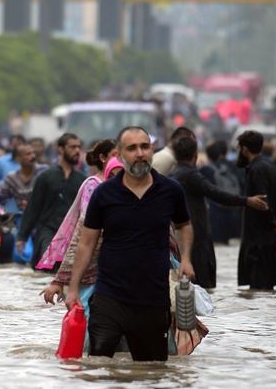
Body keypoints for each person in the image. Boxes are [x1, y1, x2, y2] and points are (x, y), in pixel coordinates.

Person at [65, 126, 195, 362]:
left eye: (144, 147)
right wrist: (73, 288)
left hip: (153, 299)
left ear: (152, 150)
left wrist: (186, 259)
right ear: (120, 154)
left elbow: (184, 225)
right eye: (132, 148)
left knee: (151, 372)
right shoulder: (104, 194)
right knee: (98, 364)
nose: (140, 153)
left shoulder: (170, 190)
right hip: (109, 296)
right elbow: (86, 243)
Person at [170, 136, 268, 289]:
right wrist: (246, 201)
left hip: (181, 239)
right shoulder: (191, 176)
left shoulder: (173, 174)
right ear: (195, 155)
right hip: (198, 238)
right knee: (202, 288)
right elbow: (216, 194)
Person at [41, 155, 124, 315]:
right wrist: (60, 281)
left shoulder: (141, 205)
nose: (117, 181)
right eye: (112, 176)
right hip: (96, 280)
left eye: (121, 176)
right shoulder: (97, 204)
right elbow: (79, 245)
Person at [35, 139, 116, 276]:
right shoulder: (92, 184)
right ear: (103, 158)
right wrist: (22, 237)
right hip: (79, 242)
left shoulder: (80, 177)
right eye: (116, 155)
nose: (120, 160)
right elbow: (86, 224)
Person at [17, 132, 86, 270]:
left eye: (78, 147)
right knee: (47, 264)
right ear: (60, 149)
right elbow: (33, 207)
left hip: (72, 234)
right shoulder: (46, 177)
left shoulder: (82, 180)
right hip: (47, 230)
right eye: (72, 147)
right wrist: (22, 237)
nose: (77, 151)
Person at [235, 130, 276, 290]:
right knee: (264, 291)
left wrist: (273, 225)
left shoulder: (257, 170)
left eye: (239, 148)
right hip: (267, 240)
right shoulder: (268, 167)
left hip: (259, 243)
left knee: (258, 288)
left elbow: (263, 203)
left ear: (245, 149)